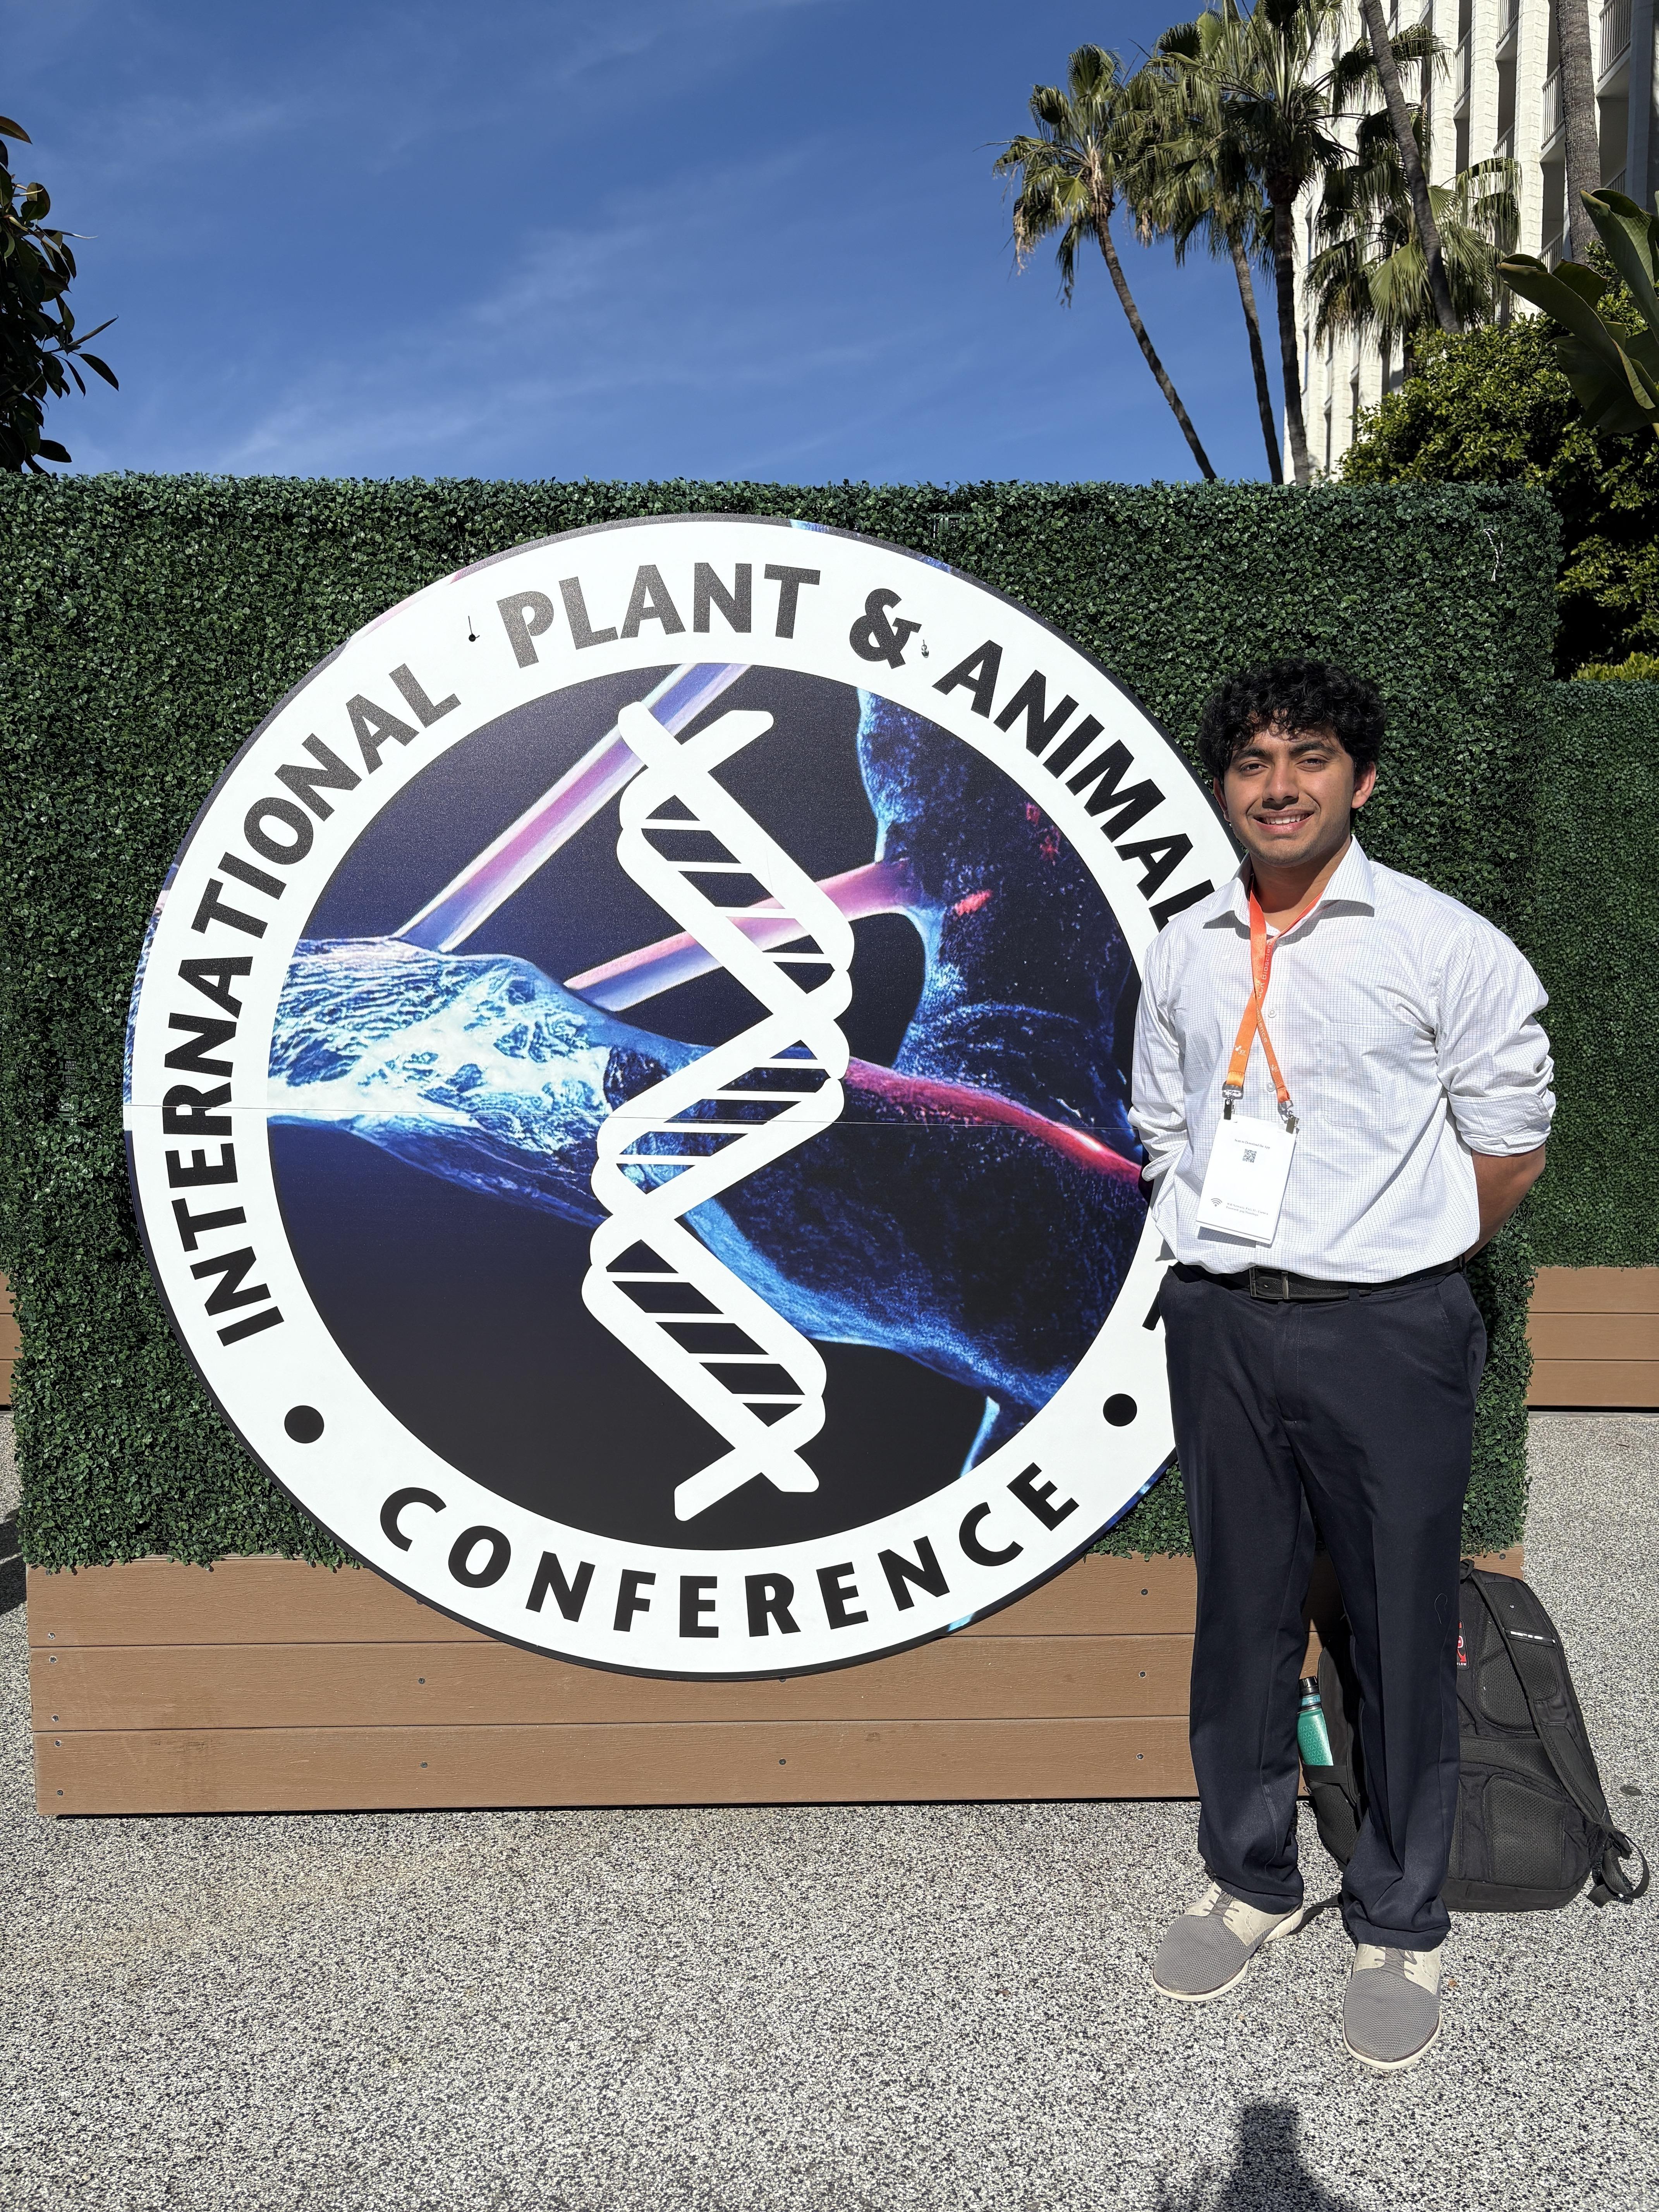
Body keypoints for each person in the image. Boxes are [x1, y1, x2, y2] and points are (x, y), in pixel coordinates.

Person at [1130, 659, 1553, 2073]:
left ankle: (1399, 1919)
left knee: (1397, 1618)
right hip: (1222, 1320)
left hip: (1388, 1326)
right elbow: (1160, 1121)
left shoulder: (1442, 944)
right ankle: (1250, 1882)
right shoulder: (1188, 947)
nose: (1279, 784)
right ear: (1224, 789)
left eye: (1308, 757)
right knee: (1241, 1611)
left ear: (1358, 782)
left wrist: (1396, 1251)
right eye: (1251, 762)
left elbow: (1510, 1140)